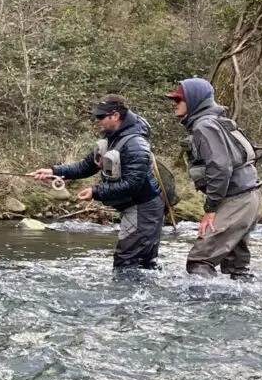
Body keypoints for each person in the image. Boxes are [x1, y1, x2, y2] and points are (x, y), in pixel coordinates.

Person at [31, 94, 164, 271]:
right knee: (139, 263)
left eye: (101, 117)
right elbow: (85, 167)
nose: (97, 121)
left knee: (127, 262)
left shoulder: (135, 145)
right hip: (133, 208)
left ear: (115, 116)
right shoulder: (111, 139)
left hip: (144, 209)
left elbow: (132, 185)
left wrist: (96, 191)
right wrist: (54, 171)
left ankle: (129, 296)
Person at [165, 78, 260, 281]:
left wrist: (211, 209)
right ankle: (238, 308)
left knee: (200, 260)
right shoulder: (214, 122)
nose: (174, 104)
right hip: (248, 197)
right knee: (237, 266)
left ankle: (201, 311)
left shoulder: (204, 126)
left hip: (235, 200)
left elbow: (220, 168)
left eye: (178, 99)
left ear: (193, 100)